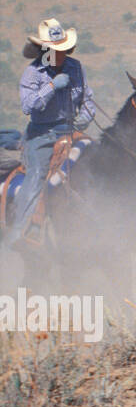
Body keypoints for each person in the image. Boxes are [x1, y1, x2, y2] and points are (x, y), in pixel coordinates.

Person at [4, 18, 96, 247]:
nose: (61, 54)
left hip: (70, 131)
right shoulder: (32, 73)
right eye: (56, 50)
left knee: (98, 162)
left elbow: (88, 101)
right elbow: (28, 106)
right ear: (45, 50)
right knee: (36, 177)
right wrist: (52, 86)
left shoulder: (76, 68)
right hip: (41, 136)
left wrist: (86, 116)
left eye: (63, 49)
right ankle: (20, 231)